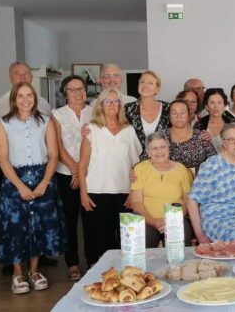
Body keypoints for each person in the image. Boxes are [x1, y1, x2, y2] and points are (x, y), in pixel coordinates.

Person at [0, 82, 65, 294]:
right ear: (14, 99)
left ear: (35, 98)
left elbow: (54, 155)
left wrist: (44, 182)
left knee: (39, 226)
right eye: (20, 96)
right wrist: (19, 186)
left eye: (29, 96)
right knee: (17, 228)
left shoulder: (45, 121)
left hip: (42, 178)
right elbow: (2, 159)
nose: (25, 100)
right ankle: (18, 273)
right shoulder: (3, 123)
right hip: (14, 180)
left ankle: (34, 271)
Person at [78, 89, 141, 266]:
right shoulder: (91, 130)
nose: (112, 105)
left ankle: (123, 275)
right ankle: (95, 275)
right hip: (96, 192)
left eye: (115, 102)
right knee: (96, 239)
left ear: (120, 105)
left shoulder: (129, 131)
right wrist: (83, 193)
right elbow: (82, 166)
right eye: (107, 102)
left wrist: (133, 193)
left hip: (124, 193)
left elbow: (136, 166)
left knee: (123, 241)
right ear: (100, 105)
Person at [51, 75, 91, 281]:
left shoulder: (94, 111)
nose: (78, 93)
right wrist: (75, 170)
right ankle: (72, 263)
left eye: (81, 88)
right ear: (65, 93)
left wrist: (82, 172)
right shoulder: (57, 115)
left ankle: (93, 260)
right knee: (69, 220)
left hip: (91, 174)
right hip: (66, 175)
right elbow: (57, 145)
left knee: (90, 219)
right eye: (72, 89)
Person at [129, 132, 194, 247]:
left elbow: (187, 200)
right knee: (142, 237)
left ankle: (177, 265)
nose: (159, 152)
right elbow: (136, 202)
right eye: (154, 148)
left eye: (163, 147)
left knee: (179, 235)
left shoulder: (181, 169)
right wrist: (153, 221)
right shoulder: (139, 169)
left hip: (175, 220)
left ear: (169, 148)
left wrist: (172, 220)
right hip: (147, 220)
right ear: (148, 152)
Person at [0, 61, 51, 133]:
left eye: (26, 73)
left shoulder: (43, 103)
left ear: (31, 77)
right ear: (10, 78)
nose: (22, 77)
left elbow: (49, 131)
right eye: (17, 73)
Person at [124, 71, 171, 160]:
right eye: (142, 82)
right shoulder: (128, 109)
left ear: (157, 89)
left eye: (150, 83)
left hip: (162, 162)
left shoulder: (168, 108)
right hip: (135, 164)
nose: (145, 85)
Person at [166, 99, 217, 172]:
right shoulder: (161, 136)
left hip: (198, 181)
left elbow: (214, 161)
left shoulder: (201, 136)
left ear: (189, 115)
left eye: (182, 113)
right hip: (168, 181)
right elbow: (146, 161)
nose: (178, 117)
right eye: (174, 113)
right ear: (169, 116)